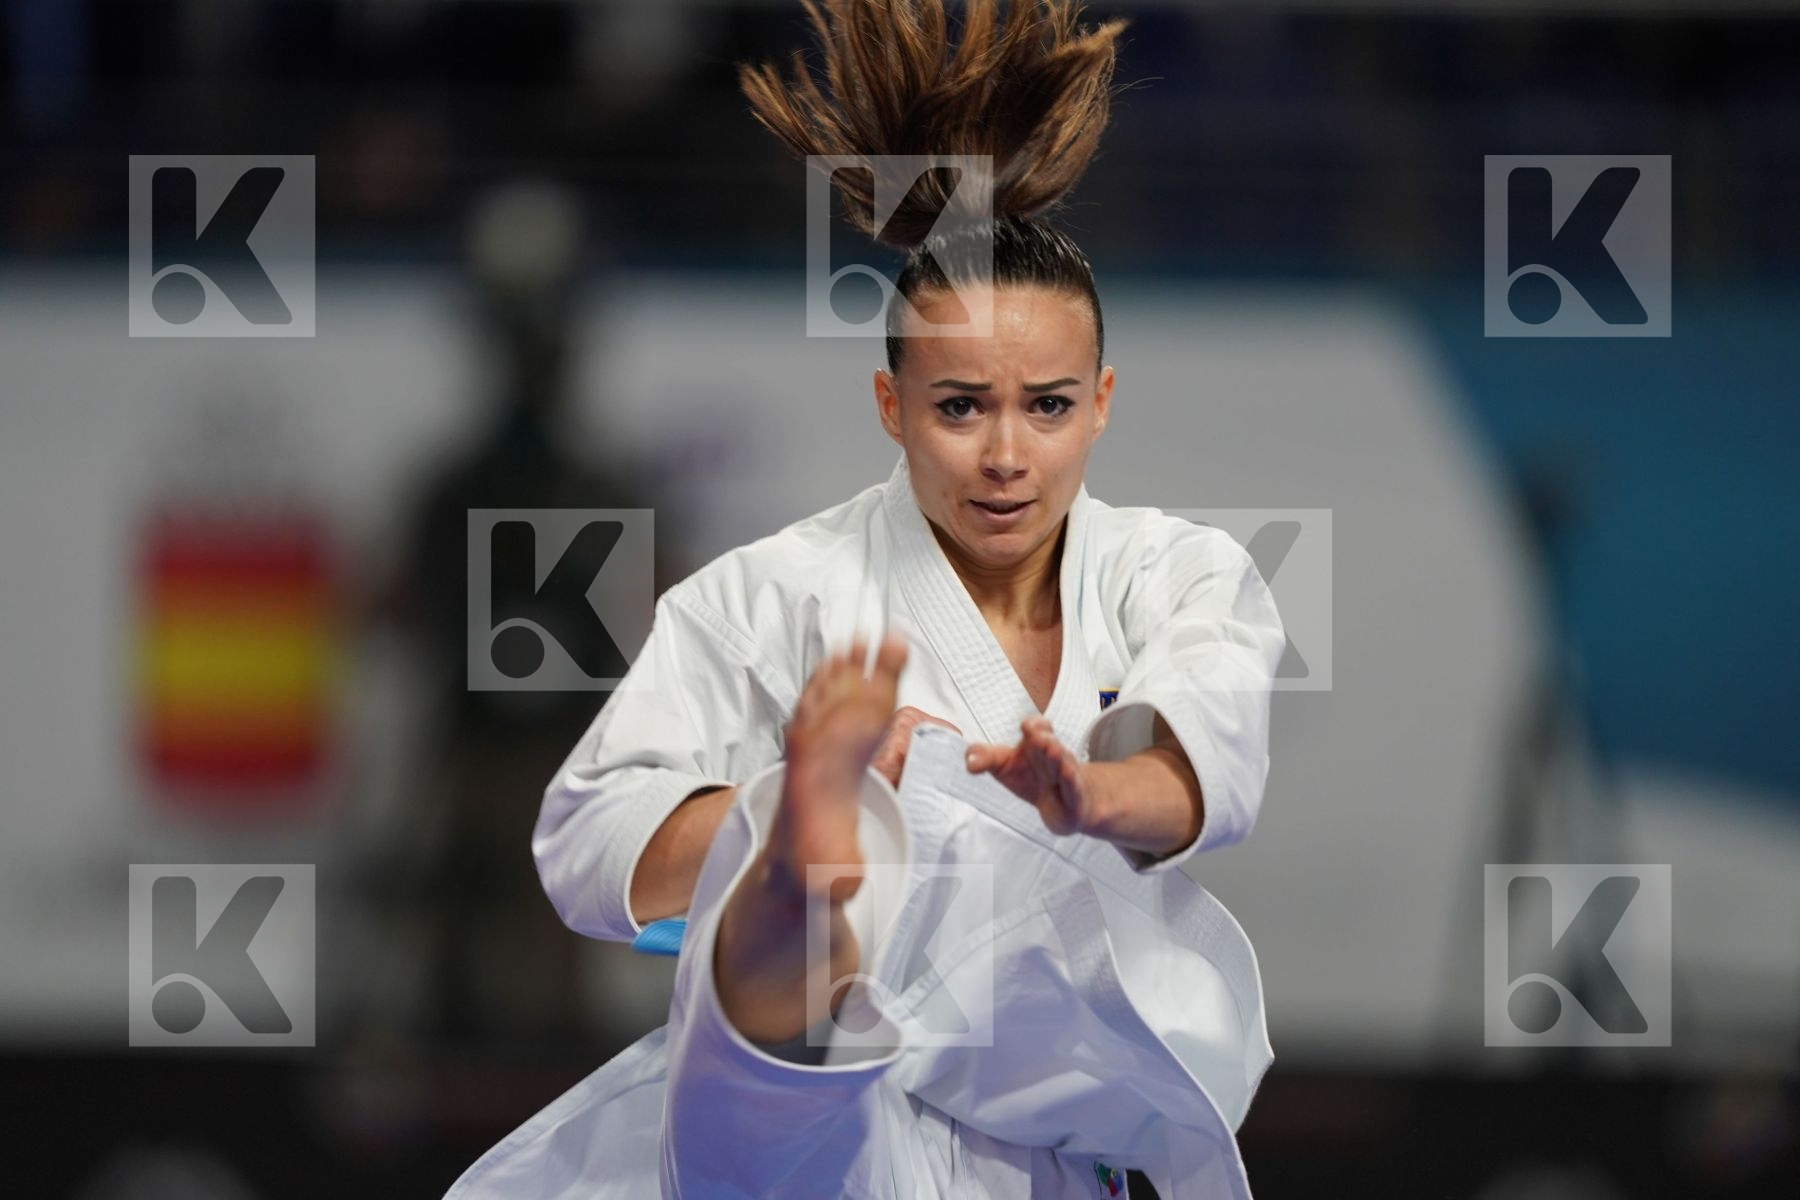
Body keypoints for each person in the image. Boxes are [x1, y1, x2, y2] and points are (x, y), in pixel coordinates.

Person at [444, 2, 1286, 1196]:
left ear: (1100, 401)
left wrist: (1088, 791)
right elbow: (587, 844)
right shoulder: (771, 594)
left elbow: (1198, 764)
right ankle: (806, 870)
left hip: (1065, 1149)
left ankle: (812, 866)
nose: (1005, 454)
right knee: (798, 998)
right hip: (823, 1108)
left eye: (1045, 406)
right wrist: (789, 801)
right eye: (959, 407)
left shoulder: (1177, 572)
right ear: (892, 406)